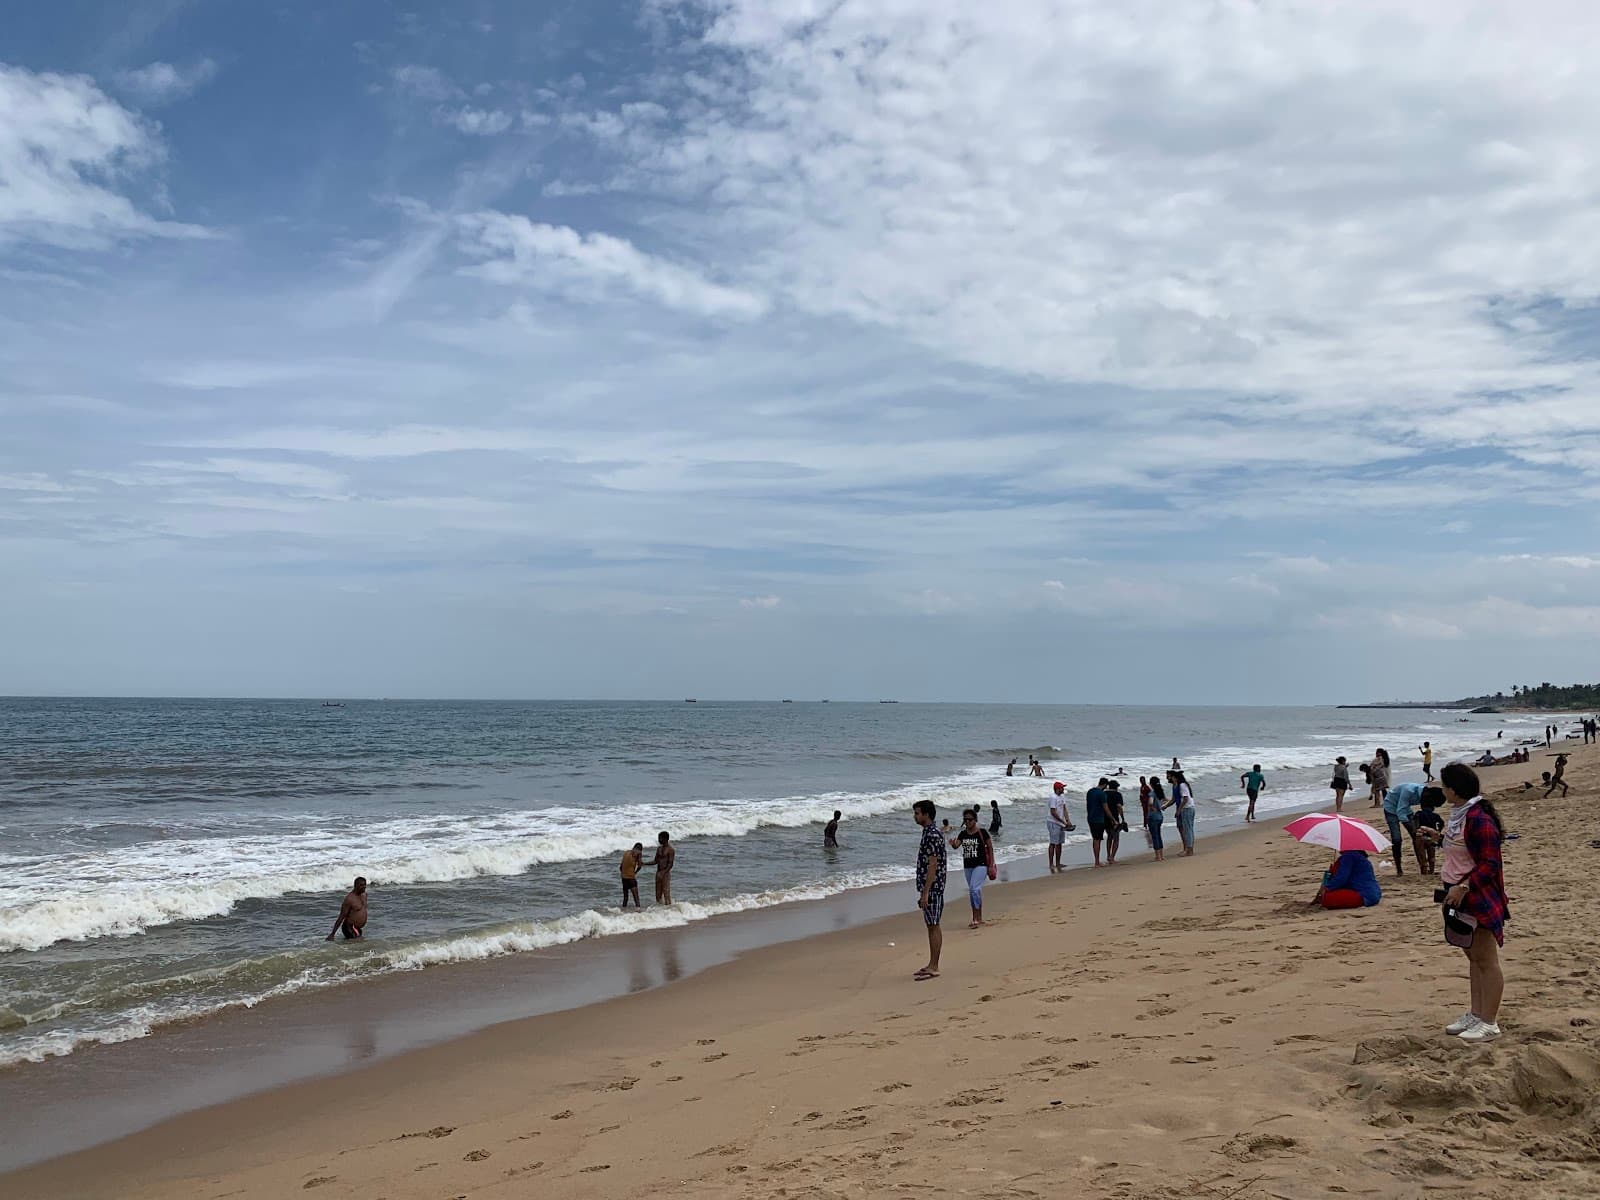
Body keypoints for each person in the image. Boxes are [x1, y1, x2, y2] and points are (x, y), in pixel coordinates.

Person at [1436, 762, 1508, 1042]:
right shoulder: (1460, 816)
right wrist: (1436, 838)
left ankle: (1489, 1021)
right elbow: (1461, 850)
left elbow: (1491, 863)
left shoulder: (1479, 819)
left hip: (1478, 897)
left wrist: (1464, 886)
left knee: (1487, 960)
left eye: (1444, 786)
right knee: (1473, 956)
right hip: (1458, 896)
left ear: (1454, 789)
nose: (1442, 791)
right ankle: (1477, 1013)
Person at [911, 799, 946, 980]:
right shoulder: (930, 832)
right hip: (932, 886)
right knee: (931, 925)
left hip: (933, 887)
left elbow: (933, 864)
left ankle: (934, 965)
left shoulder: (932, 834)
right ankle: (932, 964)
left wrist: (925, 892)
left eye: (917, 813)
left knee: (933, 925)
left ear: (926, 814)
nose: (915, 816)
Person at [949, 808, 996, 928]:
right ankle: (978, 917)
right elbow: (956, 846)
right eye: (965, 820)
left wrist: (991, 865)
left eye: (970, 820)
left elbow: (990, 848)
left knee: (974, 889)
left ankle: (975, 918)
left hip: (981, 865)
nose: (967, 822)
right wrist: (953, 844)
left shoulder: (982, 832)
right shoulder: (963, 834)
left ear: (975, 820)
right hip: (968, 866)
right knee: (973, 891)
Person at [1311, 850, 1382, 908]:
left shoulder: (1348, 856)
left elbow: (1341, 879)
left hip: (1364, 895)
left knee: (1326, 898)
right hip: (1374, 893)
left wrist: (1327, 888)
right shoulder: (1360, 856)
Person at [1382, 781, 1425, 876]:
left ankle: (1422, 864)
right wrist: (1411, 827)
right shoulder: (1408, 791)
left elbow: (1403, 807)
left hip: (1405, 808)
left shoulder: (1422, 791)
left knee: (1416, 837)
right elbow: (1400, 811)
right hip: (1390, 808)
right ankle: (1399, 868)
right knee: (1397, 839)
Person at [1411, 792, 1445, 875]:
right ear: (1433, 807)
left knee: (1421, 854)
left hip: (1421, 836)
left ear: (1422, 806)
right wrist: (1438, 831)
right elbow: (1442, 823)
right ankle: (1432, 869)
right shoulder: (1435, 815)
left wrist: (1415, 831)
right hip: (1431, 837)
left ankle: (1424, 870)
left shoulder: (1418, 814)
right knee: (1431, 854)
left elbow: (1414, 823)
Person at [326, 876, 368, 941]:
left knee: (356, 945)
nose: (364, 886)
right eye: (361, 885)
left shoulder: (364, 895)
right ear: (356, 886)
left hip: (357, 927)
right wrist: (333, 933)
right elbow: (341, 917)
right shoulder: (349, 899)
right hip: (349, 927)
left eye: (365, 885)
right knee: (357, 944)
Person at [1046, 781, 1073, 873]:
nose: (1063, 789)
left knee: (1060, 843)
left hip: (1061, 823)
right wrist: (1063, 822)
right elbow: (1053, 812)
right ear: (1057, 789)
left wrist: (1068, 820)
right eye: (1062, 788)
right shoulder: (1053, 797)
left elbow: (1064, 808)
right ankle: (1051, 864)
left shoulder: (1062, 796)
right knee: (1053, 843)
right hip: (1053, 822)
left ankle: (1058, 863)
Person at [1169, 770, 1196, 855]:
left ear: (1175, 777)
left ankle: (1189, 850)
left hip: (1187, 808)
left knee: (1187, 830)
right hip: (1188, 808)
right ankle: (1188, 849)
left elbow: (1185, 799)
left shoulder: (1182, 785)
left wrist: (1179, 810)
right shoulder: (1180, 785)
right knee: (1188, 829)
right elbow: (1175, 799)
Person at [1085, 777, 1109, 866]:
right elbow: (1105, 808)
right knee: (1097, 840)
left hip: (1090, 818)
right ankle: (1097, 862)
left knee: (1095, 839)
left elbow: (1088, 805)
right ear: (1105, 784)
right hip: (1098, 819)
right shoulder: (1102, 794)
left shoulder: (1090, 791)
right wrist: (1113, 819)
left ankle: (1096, 860)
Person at [646, 830, 675, 904]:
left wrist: (663, 872)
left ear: (665, 839)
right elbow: (655, 861)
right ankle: (660, 911)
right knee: (658, 894)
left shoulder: (670, 850)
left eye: (660, 838)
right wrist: (644, 863)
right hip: (658, 873)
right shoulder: (659, 848)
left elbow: (670, 864)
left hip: (665, 874)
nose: (659, 840)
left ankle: (669, 909)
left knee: (666, 893)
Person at [1103, 780, 1125, 865]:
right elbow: (1119, 806)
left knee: (1109, 837)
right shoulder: (1118, 795)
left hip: (1105, 818)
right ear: (1116, 787)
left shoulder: (1104, 793)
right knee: (1116, 838)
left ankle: (1108, 855)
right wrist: (1122, 818)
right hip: (1115, 818)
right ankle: (1112, 857)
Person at [620, 844, 644, 908]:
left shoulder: (626, 852)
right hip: (631, 878)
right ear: (640, 849)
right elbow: (640, 866)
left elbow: (621, 867)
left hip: (623, 877)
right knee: (636, 898)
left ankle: (623, 910)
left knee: (625, 898)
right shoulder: (639, 853)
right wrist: (635, 872)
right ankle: (639, 912)